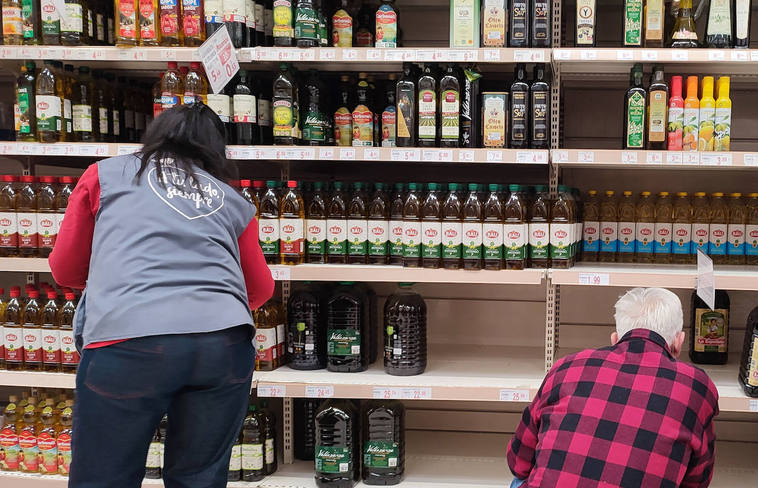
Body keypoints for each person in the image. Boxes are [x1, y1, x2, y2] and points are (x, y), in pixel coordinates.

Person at [49, 103, 275, 487]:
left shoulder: (105, 174)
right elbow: (259, 289)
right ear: (217, 151)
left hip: (129, 343)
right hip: (223, 346)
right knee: (200, 478)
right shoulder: (230, 199)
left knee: (104, 477)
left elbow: (65, 269)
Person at [507, 288, 719, 488]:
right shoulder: (697, 386)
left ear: (615, 338)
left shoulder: (567, 366)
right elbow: (697, 481)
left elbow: (518, 462)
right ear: (678, 342)